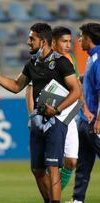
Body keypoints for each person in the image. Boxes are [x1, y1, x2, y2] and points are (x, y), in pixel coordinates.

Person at [0, 22, 80, 203]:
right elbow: (16, 86)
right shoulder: (31, 64)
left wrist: (57, 110)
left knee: (53, 167)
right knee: (37, 169)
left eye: (32, 38)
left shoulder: (61, 62)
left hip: (56, 121)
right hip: (38, 120)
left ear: (44, 41)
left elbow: (76, 91)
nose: (28, 41)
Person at [25, 26, 91, 191]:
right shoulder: (44, 62)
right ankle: (53, 195)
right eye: (64, 41)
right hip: (51, 115)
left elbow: (76, 88)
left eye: (70, 41)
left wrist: (85, 109)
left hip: (69, 114)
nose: (68, 45)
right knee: (48, 164)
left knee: (71, 161)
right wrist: (31, 115)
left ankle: (55, 193)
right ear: (53, 42)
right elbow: (29, 90)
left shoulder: (69, 60)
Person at [70, 22, 100, 203]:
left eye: (81, 36)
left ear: (89, 38)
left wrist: (99, 121)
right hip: (84, 120)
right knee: (83, 163)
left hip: (94, 121)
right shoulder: (91, 58)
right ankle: (77, 199)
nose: (79, 39)